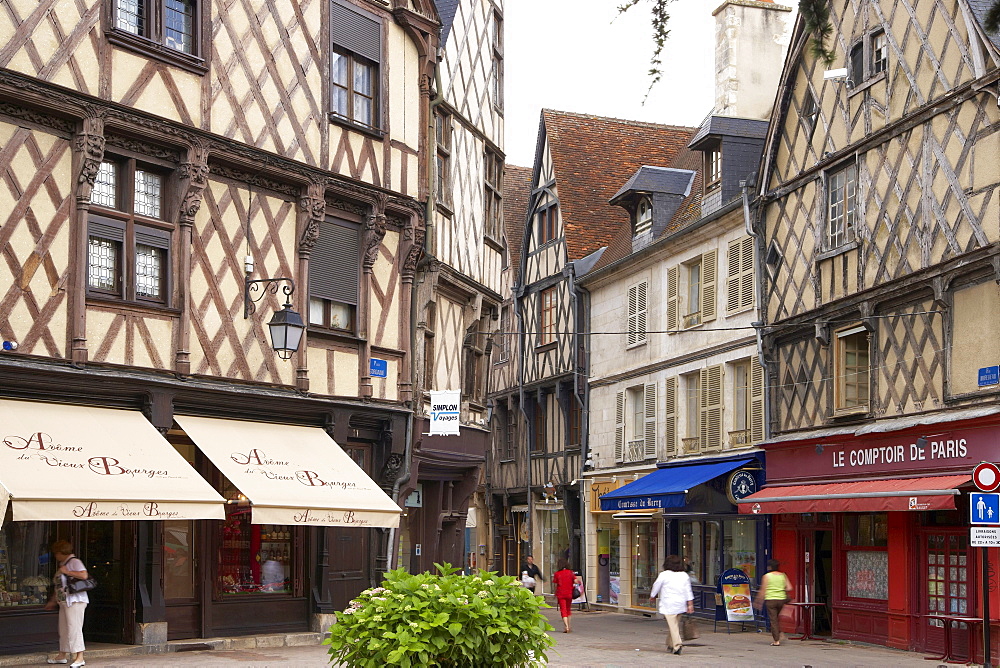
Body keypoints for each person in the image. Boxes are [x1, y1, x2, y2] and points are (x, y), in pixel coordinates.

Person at [44, 540, 88, 667]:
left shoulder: (74, 562)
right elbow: (59, 586)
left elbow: (84, 575)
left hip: (75, 601)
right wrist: (53, 601)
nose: (55, 556)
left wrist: (67, 572)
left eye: (56, 553)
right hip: (64, 601)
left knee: (74, 628)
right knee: (63, 629)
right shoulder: (64, 563)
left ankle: (80, 657)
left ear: (61, 552)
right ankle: (62, 655)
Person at [649, 554, 694, 655]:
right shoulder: (684, 575)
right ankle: (670, 643)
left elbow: (656, 586)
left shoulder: (664, 575)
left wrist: (652, 595)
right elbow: (688, 590)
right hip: (680, 604)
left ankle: (677, 645)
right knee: (674, 625)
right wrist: (690, 604)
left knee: (673, 626)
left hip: (668, 603)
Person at [754, 558, 793, 646]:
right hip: (781, 600)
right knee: (776, 618)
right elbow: (789, 588)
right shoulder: (783, 575)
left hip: (771, 600)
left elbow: (763, 590)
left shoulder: (767, 576)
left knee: (773, 620)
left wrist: (758, 601)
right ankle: (779, 633)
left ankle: (776, 640)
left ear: (770, 567)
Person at [552, 557, 580, 633]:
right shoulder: (570, 572)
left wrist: (555, 593)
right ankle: (569, 625)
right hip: (569, 593)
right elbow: (576, 581)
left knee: (563, 610)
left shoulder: (557, 574)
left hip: (561, 594)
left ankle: (566, 627)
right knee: (568, 609)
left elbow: (555, 584)